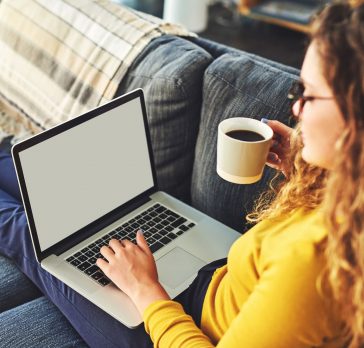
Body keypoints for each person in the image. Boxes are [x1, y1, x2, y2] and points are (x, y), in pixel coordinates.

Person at [0, 0, 363, 346]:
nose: (297, 110)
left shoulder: (317, 264)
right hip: (212, 289)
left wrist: (145, 289)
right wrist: (298, 166)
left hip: (164, 332)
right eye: (297, 91)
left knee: (26, 233)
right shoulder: (346, 188)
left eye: (311, 95)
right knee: (40, 184)